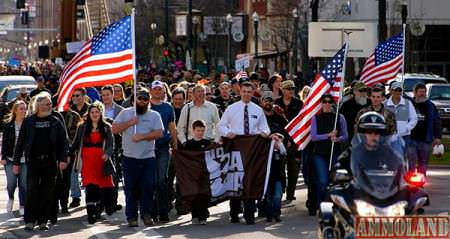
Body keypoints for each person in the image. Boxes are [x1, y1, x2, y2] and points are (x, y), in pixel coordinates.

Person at [218, 81, 271, 225]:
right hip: (236, 147)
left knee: (250, 180)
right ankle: (234, 214)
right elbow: (221, 126)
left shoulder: (258, 110)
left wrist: (264, 133)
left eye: (249, 91)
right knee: (236, 180)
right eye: (244, 91)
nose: (247, 94)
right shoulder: (231, 108)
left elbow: (265, 128)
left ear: (253, 93)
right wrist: (228, 133)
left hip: (253, 149)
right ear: (240, 92)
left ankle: (249, 215)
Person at [13, 93, 68, 231]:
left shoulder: (55, 121)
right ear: (38, 105)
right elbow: (20, 143)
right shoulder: (29, 121)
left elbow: (64, 141)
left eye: (50, 104)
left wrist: (62, 159)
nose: (50, 106)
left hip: (50, 161)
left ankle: (43, 221)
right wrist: (16, 162)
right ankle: (30, 220)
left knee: (47, 192)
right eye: (46, 104)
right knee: (31, 191)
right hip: (33, 162)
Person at [112, 87, 164, 227]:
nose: (142, 101)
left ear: (148, 101)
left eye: (145, 99)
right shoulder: (126, 113)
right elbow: (114, 129)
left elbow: (159, 133)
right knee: (131, 188)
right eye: (139, 98)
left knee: (148, 186)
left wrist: (143, 136)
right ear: (134, 100)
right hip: (129, 157)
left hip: (148, 157)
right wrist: (129, 123)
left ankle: (146, 214)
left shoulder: (154, 115)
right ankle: (131, 216)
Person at [71, 102, 115, 224]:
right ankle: (91, 213)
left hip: (101, 160)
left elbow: (111, 145)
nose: (94, 114)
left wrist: (107, 153)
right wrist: (68, 155)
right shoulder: (83, 127)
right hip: (87, 161)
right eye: (92, 112)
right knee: (90, 187)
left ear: (101, 113)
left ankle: (101, 208)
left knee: (103, 188)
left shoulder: (106, 127)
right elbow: (75, 143)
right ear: (88, 114)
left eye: (97, 112)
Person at [310, 94, 348, 211]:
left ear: (332, 103)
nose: (327, 104)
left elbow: (345, 135)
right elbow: (314, 137)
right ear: (321, 103)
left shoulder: (339, 117)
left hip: (335, 152)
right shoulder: (316, 118)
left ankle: (333, 204)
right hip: (319, 153)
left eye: (329, 102)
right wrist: (328, 135)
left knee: (334, 180)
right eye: (324, 102)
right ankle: (322, 204)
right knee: (323, 181)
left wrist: (337, 139)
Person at [149, 80, 177, 223]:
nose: (158, 92)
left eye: (160, 89)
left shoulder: (167, 107)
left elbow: (172, 128)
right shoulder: (146, 106)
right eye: (155, 89)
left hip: (163, 147)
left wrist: (176, 145)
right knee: (152, 181)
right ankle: (152, 211)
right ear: (151, 91)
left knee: (162, 180)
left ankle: (163, 211)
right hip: (148, 149)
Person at [275, 80, 303, 202]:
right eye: (289, 89)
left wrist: (293, 140)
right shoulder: (276, 103)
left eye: (293, 88)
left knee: (294, 169)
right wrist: (282, 139)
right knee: (279, 169)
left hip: (294, 141)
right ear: (283, 90)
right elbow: (274, 123)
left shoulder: (299, 103)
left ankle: (290, 193)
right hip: (280, 141)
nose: (292, 91)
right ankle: (281, 190)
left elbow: (301, 123)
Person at [1, 100, 27, 216]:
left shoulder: (28, 125)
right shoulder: (8, 125)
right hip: (10, 159)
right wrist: (3, 157)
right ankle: (11, 197)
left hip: (24, 160)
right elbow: (5, 143)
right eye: (21, 109)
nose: (23, 111)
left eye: (25, 109)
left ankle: (22, 205)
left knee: (23, 183)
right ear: (15, 111)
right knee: (11, 183)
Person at [409, 83, 441, 175]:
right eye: (420, 92)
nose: (422, 94)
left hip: (426, 139)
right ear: (414, 93)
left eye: (424, 92)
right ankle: (410, 180)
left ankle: (421, 180)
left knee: (423, 161)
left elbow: (437, 121)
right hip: (411, 139)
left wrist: (437, 136)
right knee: (411, 160)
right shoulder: (409, 104)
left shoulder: (431, 106)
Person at [184, 120, 211, 225]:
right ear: (193, 130)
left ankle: (203, 216)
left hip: (204, 174)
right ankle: (195, 215)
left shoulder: (207, 143)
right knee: (194, 194)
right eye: (198, 130)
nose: (200, 133)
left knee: (203, 194)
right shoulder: (189, 144)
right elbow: (184, 157)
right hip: (192, 174)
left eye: (202, 131)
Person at [69, 88, 91, 208]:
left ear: (84, 96)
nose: (75, 98)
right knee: (73, 172)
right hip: (74, 145)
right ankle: (75, 196)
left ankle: (90, 197)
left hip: (88, 146)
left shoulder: (91, 109)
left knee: (87, 173)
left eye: (78, 96)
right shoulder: (69, 110)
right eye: (73, 96)